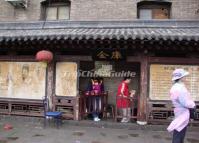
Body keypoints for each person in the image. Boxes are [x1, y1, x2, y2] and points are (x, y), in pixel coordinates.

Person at [167, 69, 196, 143]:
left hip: (179, 110)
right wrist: (193, 105)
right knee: (180, 131)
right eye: (184, 76)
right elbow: (185, 102)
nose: (185, 77)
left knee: (179, 129)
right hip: (183, 111)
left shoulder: (175, 87)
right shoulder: (180, 88)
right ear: (181, 77)